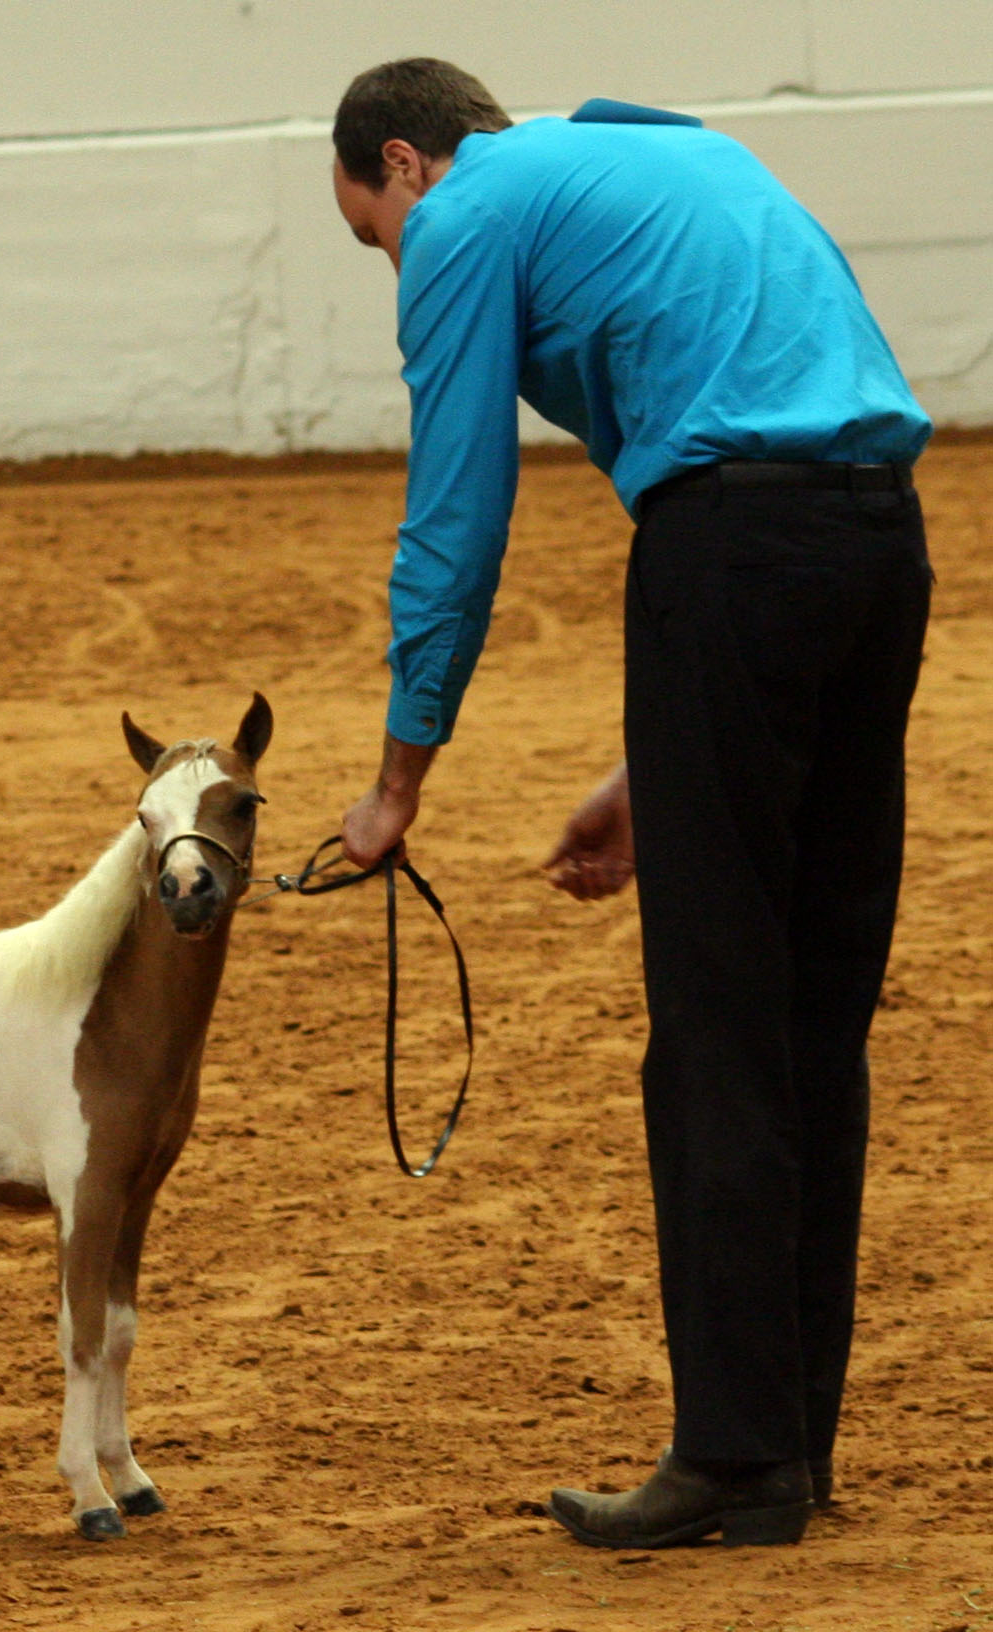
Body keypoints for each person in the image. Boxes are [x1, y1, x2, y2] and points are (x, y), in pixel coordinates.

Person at [331, 58, 933, 1549]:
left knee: (716, 1030)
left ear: (406, 165)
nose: (401, 270)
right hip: (877, 547)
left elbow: (455, 515)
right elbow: (705, 411)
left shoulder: (464, 220)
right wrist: (646, 769)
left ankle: (732, 1460)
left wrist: (398, 778)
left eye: (376, 237)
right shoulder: (663, 157)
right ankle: (791, 1440)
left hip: (731, 559)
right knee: (809, 1015)